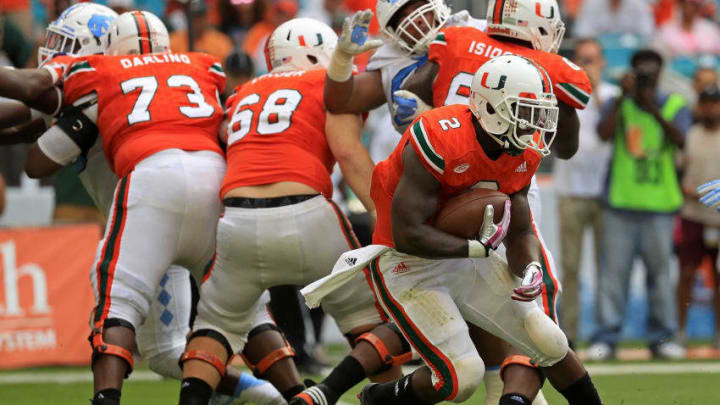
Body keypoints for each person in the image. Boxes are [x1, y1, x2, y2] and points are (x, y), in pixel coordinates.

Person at [294, 2, 570, 404]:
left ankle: (506, 394)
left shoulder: (475, 33)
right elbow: (341, 101)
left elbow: (539, 102)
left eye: (421, 9)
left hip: (497, 172)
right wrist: (341, 61)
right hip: (430, 180)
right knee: (440, 291)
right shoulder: (396, 60)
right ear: (390, 32)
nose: (418, 22)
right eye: (403, 18)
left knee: (517, 305)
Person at [19, 10, 285, 405]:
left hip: (146, 222)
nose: (57, 53)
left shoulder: (102, 83)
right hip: (205, 196)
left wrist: (60, 113)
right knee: (210, 325)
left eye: (68, 46)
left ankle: (107, 398)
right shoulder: (183, 74)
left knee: (118, 306)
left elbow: (36, 161)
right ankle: (277, 393)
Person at [178, 18, 408, 405]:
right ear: (321, 52)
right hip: (307, 211)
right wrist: (388, 216)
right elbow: (350, 155)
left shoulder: (242, 94)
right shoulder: (324, 86)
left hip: (237, 221)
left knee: (214, 326)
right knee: (370, 322)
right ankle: (383, 399)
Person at [590, 49, 692, 361]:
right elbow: (602, 134)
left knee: (660, 278)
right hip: (621, 204)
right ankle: (607, 338)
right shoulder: (619, 103)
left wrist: (653, 109)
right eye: (642, 71)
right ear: (632, 73)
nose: (648, 76)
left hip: (660, 206)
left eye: (652, 71)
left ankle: (662, 339)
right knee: (613, 277)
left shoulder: (674, 105)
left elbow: (681, 140)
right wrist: (623, 98)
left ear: (661, 73)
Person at [552, 38, 618, 346]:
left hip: (606, 194)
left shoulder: (613, 95)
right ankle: (571, 334)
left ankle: (605, 334)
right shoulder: (564, 94)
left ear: (602, 61)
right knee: (571, 267)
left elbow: (610, 133)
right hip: (571, 191)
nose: (588, 65)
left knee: (607, 266)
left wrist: (596, 92)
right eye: (582, 59)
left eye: (592, 59)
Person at [675, 84, 720, 349]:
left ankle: (718, 335)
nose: (711, 108)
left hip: (718, 218)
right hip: (693, 213)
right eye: (706, 103)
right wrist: (688, 191)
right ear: (699, 106)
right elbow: (678, 171)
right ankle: (680, 332)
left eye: (715, 103)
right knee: (687, 273)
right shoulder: (690, 135)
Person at [654, 0, 720, 57]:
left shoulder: (710, 29)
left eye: (693, 4)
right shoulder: (667, 29)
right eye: (685, 3)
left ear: (698, 7)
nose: (688, 7)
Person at [573, 0, 655, 39]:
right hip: (598, 52)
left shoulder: (639, 5)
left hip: (632, 54)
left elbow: (647, 34)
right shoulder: (590, 4)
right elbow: (582, 33)